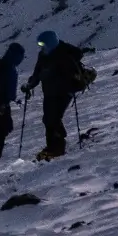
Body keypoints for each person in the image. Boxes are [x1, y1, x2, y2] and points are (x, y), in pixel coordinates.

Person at [23, 30, 92, 161]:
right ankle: (52, 146)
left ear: (50, 43)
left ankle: (58, 147)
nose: (41, 47)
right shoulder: (43, 56)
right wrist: (30, 85)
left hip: (63, 92)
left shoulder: (64, 55)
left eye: (43, 44)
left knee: (53, 118)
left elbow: (71, 75)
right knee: (48, 119)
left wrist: (71, 86)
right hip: (49, 92)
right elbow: (37, 73)